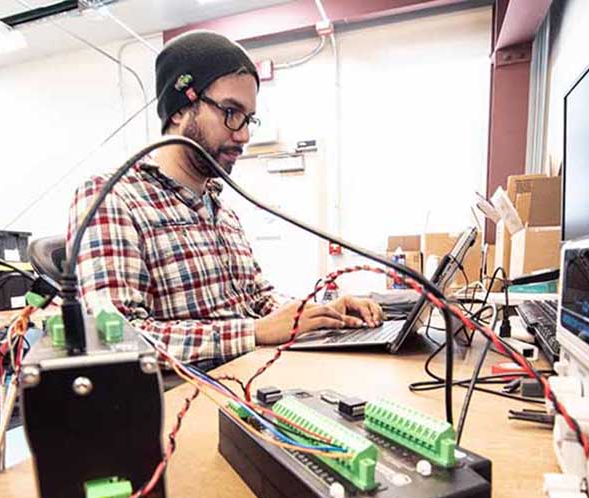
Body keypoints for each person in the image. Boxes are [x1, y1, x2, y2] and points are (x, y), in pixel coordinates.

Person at [68, 30, 382, 367]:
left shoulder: (221, 209)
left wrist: (321, 312)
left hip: (251, 375)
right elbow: (118, 338)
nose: (244, 134)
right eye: (231, 112)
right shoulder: (112, 197)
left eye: (248, 119)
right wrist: (253, 332)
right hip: (187, 396)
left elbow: (259, 299)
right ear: (179, 109)